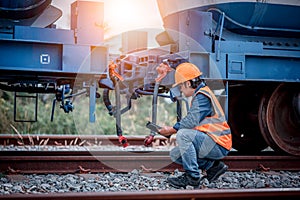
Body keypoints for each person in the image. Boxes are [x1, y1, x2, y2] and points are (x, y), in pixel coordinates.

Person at [158, 62, 232, 189]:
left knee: (183, 135)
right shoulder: (202, 94)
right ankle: (214, 167)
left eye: (181, 85)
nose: (180, 89)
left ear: (187, 83)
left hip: (218, 143)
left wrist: (171, 130)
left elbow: (191, 121)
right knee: (175, 154)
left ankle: (192, 178)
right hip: (212, 141)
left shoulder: (202, 96)